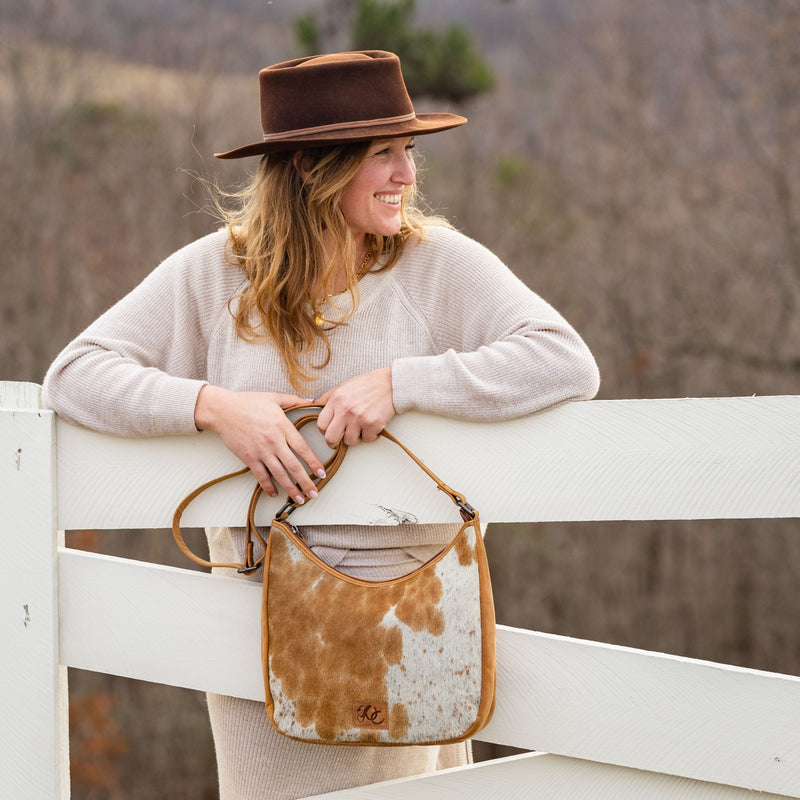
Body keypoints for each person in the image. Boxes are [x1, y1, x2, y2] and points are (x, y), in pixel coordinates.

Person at [43, 50, 600, 800]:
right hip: (262, 635)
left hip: (417, 622)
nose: (408, 173)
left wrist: (403, 383)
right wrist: (214, 406)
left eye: (409, 150)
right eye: (383, 155)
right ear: (312, 166)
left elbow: (566, 361)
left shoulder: (434, 265)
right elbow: (74, 374)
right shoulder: (217, 274)